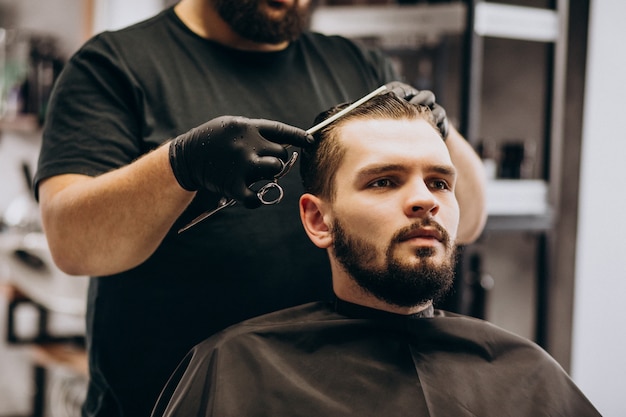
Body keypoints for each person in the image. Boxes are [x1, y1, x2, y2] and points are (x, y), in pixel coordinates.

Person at [34, 0, 486, 416]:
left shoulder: (358, 67)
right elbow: (72, 244)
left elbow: (471, 216)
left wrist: (438, 131)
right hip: (165, 401)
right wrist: (180, 166)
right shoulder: (114, 66)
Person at [150, 93, 600, 417]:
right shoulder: (236, 368)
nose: (425, 200)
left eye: (440, 182)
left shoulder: (527, 374)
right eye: (384, 181)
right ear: (319, 221)